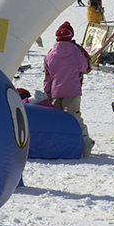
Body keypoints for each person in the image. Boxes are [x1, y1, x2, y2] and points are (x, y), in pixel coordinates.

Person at [43, 21, 95, 157]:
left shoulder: (50, 53)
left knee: (57, 119)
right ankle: (85, 143)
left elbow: (47, 75)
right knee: (75, 117)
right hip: (72, 90)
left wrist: (47, 92)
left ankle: (59, 144)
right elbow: (84, 67)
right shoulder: (76, 51)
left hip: (55, 91)